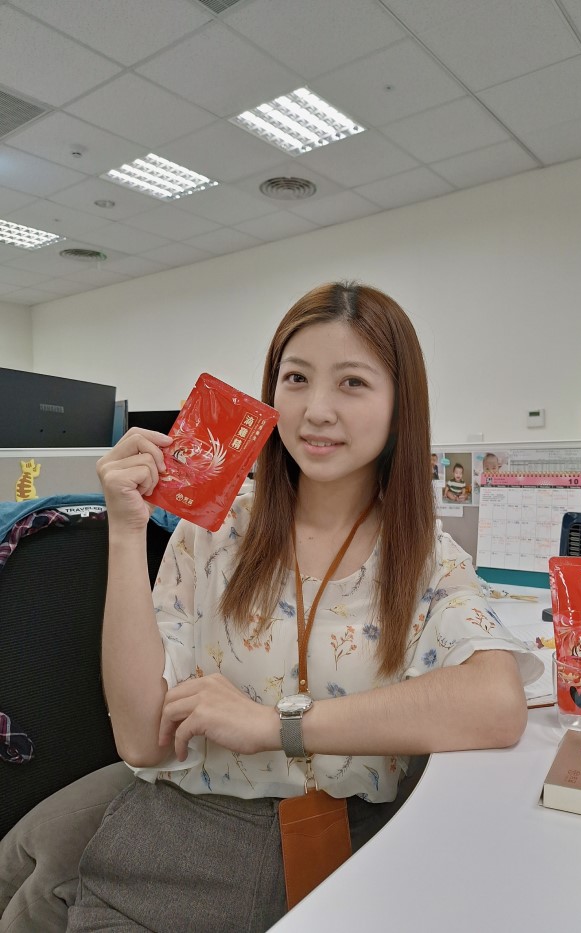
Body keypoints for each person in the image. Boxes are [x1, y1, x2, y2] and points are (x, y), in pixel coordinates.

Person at [67, 282, 543, 932]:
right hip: (179, 851)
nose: (317, 409)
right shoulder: (212, 531)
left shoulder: (420, 552)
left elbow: (496, 702)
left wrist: (276, 725)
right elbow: (141, 739)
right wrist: (125, 532)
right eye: (296, 378)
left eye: (352, 382)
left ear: (401, 404)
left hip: (353, 851)